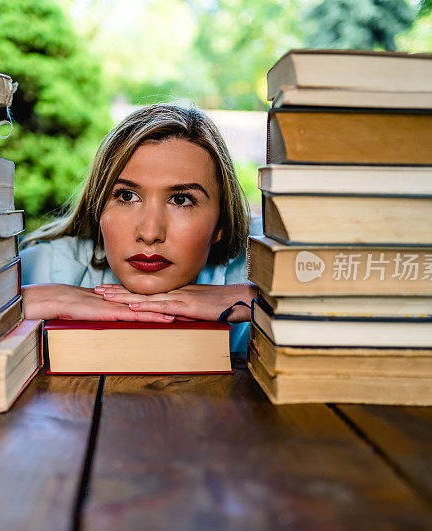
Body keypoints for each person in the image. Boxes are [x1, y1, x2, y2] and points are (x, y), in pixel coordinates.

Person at [19, 103, 257, 352]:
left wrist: (260, 301)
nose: (150, 233)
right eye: (127, 196)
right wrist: (19, 305)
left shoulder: (258, 270)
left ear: (221, 222)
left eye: (180, 200)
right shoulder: (42, 269)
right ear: (98, 208)